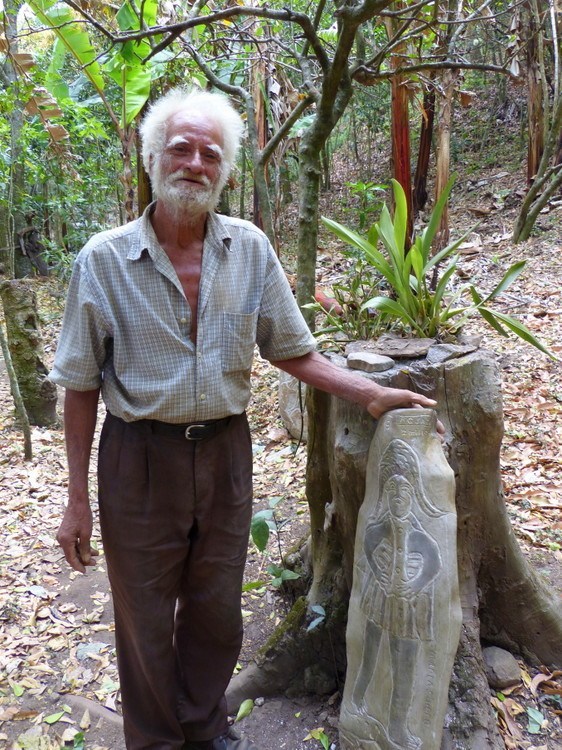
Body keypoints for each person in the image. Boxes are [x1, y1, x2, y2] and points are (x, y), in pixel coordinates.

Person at [50, 87, 439, 750]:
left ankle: (204, 729)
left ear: (225, 170)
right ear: (151, 157)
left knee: (217, 614)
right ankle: (155, 740)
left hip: (226, 454)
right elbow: (80, 383)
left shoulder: (250, 250)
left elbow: (293, 350)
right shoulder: (103, 260)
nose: (194, 163)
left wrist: (368, 392)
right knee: (143, 620)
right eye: (180, 148)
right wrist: (75, 499)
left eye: (210, 153)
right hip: (138, 459)